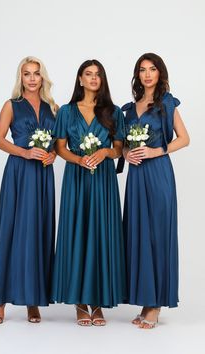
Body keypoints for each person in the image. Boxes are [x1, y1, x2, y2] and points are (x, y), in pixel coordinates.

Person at [117, 53, 190, 328]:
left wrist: (157, 150)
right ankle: (145, 300)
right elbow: (121, 145)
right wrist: (126, 152)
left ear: (160, 73)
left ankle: (156, 305)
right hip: (136, 177)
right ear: (137, 75)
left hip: (159, 175)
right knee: (138, 234)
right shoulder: (128, 109)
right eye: (142, 70)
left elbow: (185, 138)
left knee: (158, 235)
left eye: (153, 69)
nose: (148, 74)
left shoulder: (167, 104)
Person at [51, 59, 126, 326]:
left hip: (104, 180)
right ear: (80, 79)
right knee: (78, 233)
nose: (94, 78)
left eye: (98, 75)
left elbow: (119, 149)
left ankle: (98, 301)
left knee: (101, 234)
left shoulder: (114, 111)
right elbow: (60, 148)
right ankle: (80, 302)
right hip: (77, 178)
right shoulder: (67, 112)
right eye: (88, 74)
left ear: (102, 80)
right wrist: (78, 159)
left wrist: (106, 151)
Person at [0, 56, 57, 324]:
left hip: (43, 176)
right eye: (26, 73)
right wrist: (24, 152)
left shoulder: (54, 107)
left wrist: (52, 155)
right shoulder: (11, 105)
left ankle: (33, 300)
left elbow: (58, 144)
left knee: (39, 232)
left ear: (43, 78)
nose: (31, 78)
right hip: (19, 173)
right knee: (11, 230)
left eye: (36, 73)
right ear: (21, 78)